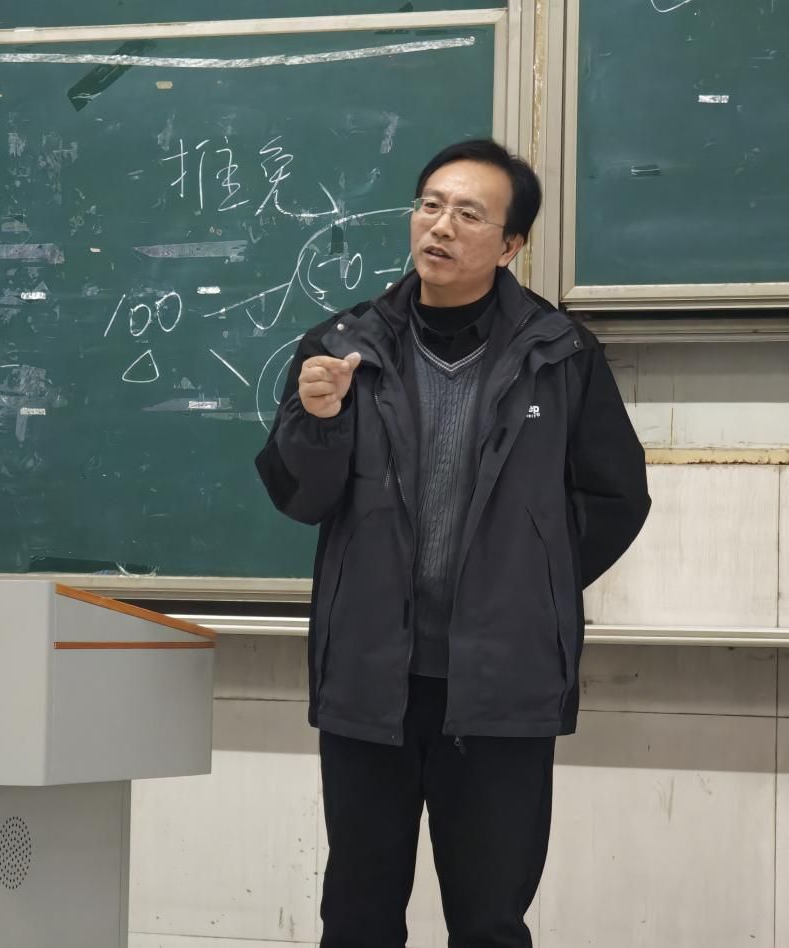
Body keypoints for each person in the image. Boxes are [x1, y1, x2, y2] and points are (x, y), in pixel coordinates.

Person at [254, 139, 650, 948]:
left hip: (502, 686)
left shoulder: (560, 355)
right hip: (371, 680)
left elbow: (616, 497)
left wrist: (526, 585)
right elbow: (301, 498)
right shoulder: (343, 347)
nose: (439, 226)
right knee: (357, 918)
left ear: (510, 245)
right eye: (429, 205)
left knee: (490, 922)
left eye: (468, 214)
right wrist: (317, 421)